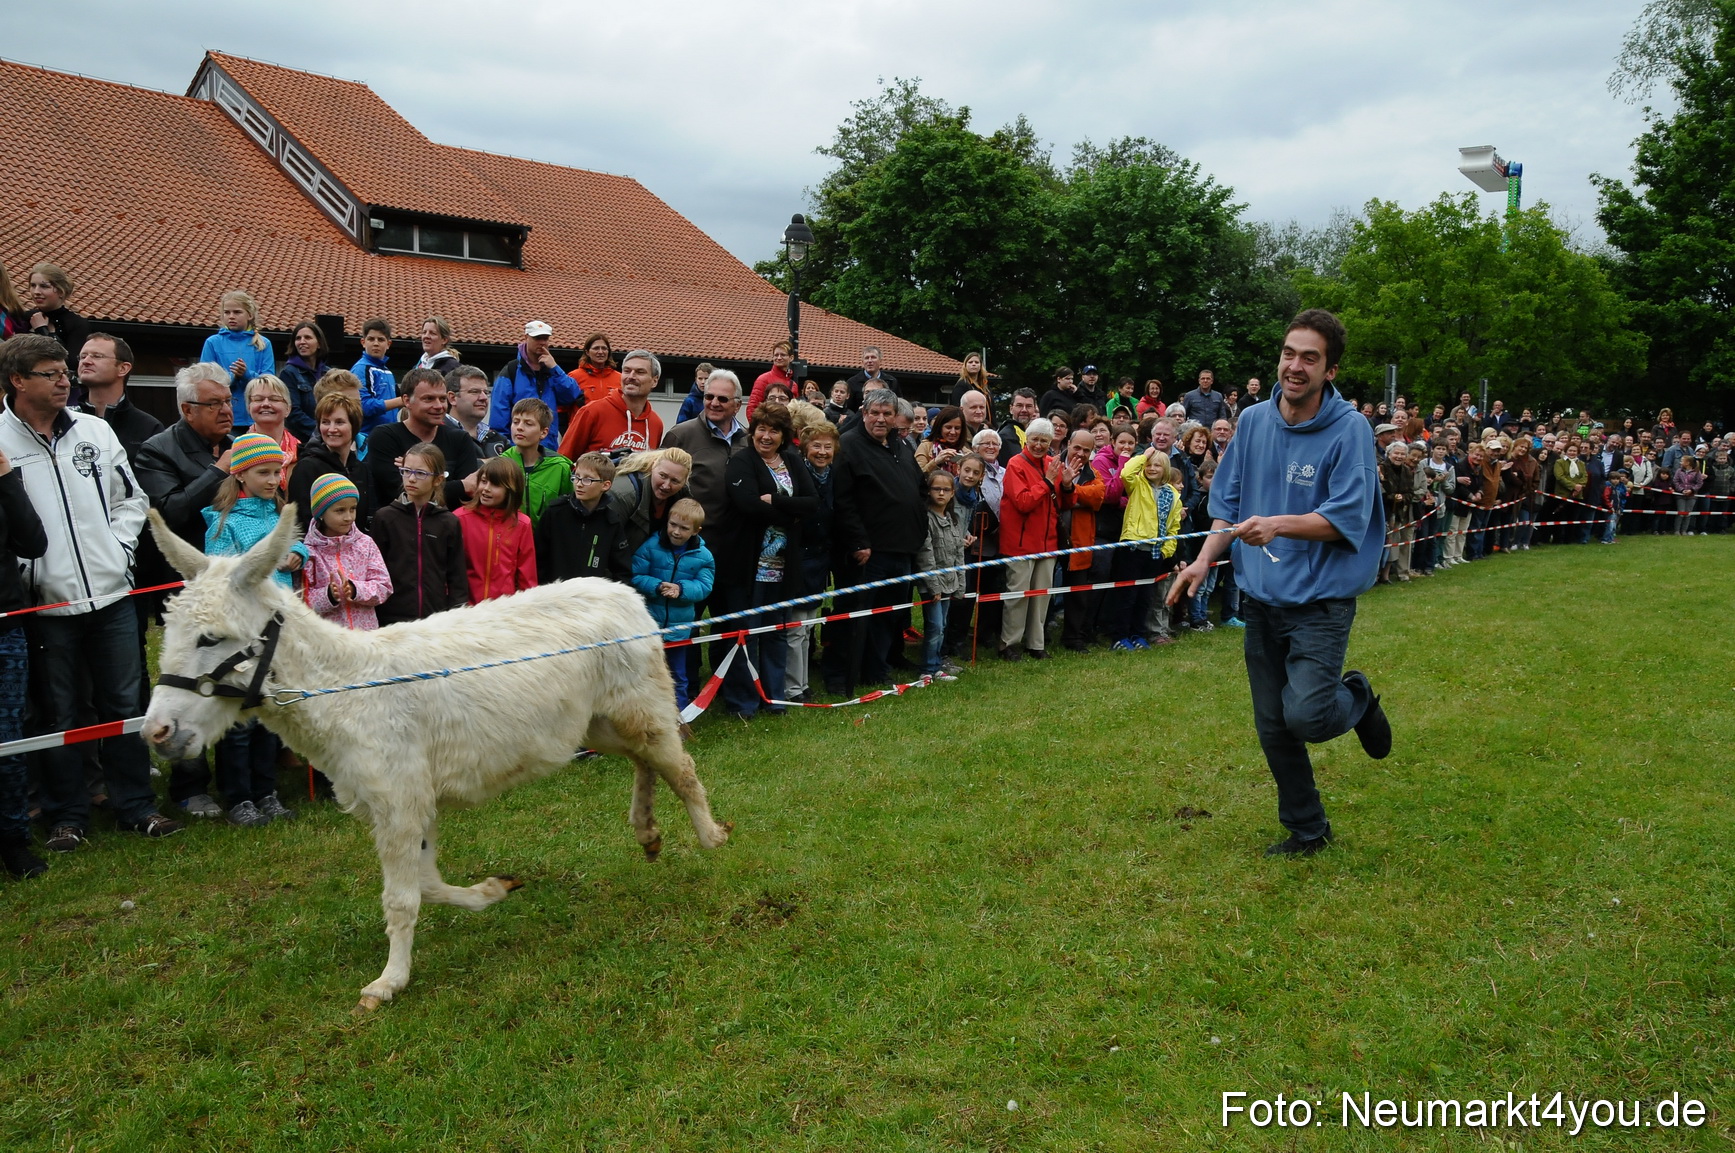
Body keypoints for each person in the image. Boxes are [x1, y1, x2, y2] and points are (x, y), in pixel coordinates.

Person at [1168, 309, 1390, 858]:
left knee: (1308, 715)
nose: (1295, 366)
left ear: (1329, 370)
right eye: (1289, 353)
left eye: (1309, 358)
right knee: (1273, 726)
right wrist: (1202, 560)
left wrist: (1278, 524)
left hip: (1321, 602)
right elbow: (1228, 506)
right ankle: (1308, 830)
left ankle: (1356, 697)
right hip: (1263, 599)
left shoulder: (1350, 430)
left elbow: (1347, 520)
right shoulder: (1255, 421)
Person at [0, 336, 179, 851]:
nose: (65, 380)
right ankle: (66, 815)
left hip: (113, 596)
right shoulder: (1, 441)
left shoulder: (95, 431)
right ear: (17, 380)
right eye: (51, 372)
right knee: (58, 710)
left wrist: (117, 552)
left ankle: (137, 806)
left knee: (125, 702)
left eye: (65, 371)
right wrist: (26, 570)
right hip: (46, 602)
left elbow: (131, 500)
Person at [202, 433, 308, 826]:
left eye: (277, 471)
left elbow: (299, 545)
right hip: (242, 632)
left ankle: (267, 791)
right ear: (240, 475)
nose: (272, 479)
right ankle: (238, 797)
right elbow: (219, 569)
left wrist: (296, 556)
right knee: (241, 718)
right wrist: (262, 561)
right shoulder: (222, 522)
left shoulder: (279, 514)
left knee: (268, 715)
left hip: (277, 629)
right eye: (263, 472)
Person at [718, 403, 817, 719]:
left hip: (782, 569)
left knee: (775, 633)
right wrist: (792, 515)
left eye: (774, 430)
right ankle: (743, 702)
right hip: (747, 565)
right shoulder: (741, 461)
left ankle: (774, 699)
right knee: (745, 634)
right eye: (761, 428)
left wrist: (775, 500)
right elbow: (747, 506)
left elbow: (813, 503)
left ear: (784, 435)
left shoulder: (791, 460)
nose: (766, 435)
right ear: (753, 431)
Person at [832, 389, 926, 693]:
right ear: (864, 411)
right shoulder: (848, 446)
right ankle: (842, 674)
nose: (881, 419)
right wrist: (858, 542)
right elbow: (843, 501)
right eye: (875, 413)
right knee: (856, 616)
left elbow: (917, 487)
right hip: (868, 553)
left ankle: (877, 670)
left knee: (889, 616)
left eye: (887, 413)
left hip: (902, 548)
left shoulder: (901, 445)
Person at [0, 426, 47, 876]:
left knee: (8, 738)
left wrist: (6, 478)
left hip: (5, 626)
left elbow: (34, 543)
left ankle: (13, 839)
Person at [998, 418, 1075, 660]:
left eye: (1044, 440)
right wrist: (1048, 482)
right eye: (1035, 440)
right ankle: (1008, 644)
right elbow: (1023, 502)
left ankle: (1036, 644)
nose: (1039, 445)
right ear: (1026, 440)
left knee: (1042, 596)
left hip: (1048, 541)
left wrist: (1068, 485)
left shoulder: (1053, 463)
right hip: (1020, 544)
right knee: (1017, 597)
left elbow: (1065, 504)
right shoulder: (1015, 464)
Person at [630, 498, 714, 714]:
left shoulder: (703, 556)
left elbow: (705, 586)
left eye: (684, 528)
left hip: (680, 627)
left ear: (696, 530)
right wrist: (656, 586)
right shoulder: (650, 546)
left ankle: (679, 717)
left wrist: (681, 589)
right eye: (673, 525)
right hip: (649, 625)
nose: (676, 532)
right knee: (645, 674)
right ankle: (646, 715)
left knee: (678, 674)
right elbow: (635, 575)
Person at [374, 443, 466, 625]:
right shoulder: (385, 518)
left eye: (421, 473)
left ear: (438, 480)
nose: (411, 479)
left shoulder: (448, 522)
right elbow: (374, 572)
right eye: (406, 471)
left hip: (435, 620)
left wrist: (457, 617)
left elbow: (457, 577)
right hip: (392, 620)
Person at [369, 368, 481, 510]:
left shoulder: (459, 439)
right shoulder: (385, 438)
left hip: (447, 528)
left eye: (442, 399)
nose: (439, 406)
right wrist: (459, 486)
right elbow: (400, 494)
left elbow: (468, 496)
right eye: (428, 399)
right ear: (406, 400)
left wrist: (418, 480)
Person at [1108, 443, 1183, 649]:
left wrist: (1166, 552)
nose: (1151, 468)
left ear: (1165, 469)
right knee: (1127, 596)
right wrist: (1145, 454)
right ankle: (1119, 636)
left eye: (1157, 465)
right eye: (1149, 465)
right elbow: (1126, 473)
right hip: (1132, 549)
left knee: (1145, 598)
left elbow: (1173, 527)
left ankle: (1137, 635)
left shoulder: (1173, 495)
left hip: (1155, 553)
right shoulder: (1137, 484)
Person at [785, 420, 838, 702]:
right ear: (805, 448)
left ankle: (803, 683)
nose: (821, 451)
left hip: (820, 559)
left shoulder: (832, 476)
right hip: (797, 558)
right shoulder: (796, 475)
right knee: (795, 628)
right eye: (816, 445)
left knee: (807, 627)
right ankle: (792, 688)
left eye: (827, 446)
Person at [301, 474, 391, 630]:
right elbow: (300, 602)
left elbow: (384, 586)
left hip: (365, 639)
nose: (348, 517)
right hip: (328, 642)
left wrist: (356, 589)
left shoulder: (366, 544)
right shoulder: (308, 552)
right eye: (340, 510)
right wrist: (328, 596)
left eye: (353, 509)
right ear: (320, 513)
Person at [536, 452, 631, 583]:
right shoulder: (555, 513)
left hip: (589, 598)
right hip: (555, 595)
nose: (579, 484)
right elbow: (538, 558)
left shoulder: (611, 522)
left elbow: (622, 571)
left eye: (588, 479)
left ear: (605, 485)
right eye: (576, 477)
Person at [287, 392, 375, 532]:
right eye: (325, 422)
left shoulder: (361, 469)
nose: (331, 429)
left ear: (354, 426)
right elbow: (300, 523)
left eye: (339, 422)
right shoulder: (307, 467)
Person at [491, 321, 582, 453]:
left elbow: (572, 395)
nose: (542, 342)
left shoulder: (552, 370)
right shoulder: (511, 370)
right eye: (537, 338)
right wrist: (508, 449)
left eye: (545, 338)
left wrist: (555, 368)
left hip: (548, 448)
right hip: (517, 450)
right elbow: (498, 416)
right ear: (526, 337)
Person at [559, 349, 665, 461]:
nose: (631, 376)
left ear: (655, 380)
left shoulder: (655, 424)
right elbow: (563, 461)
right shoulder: (592, 412)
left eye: (640, 372)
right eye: (627, 371)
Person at [456, 456, 537, 602]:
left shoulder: (522, 524)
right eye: (484, 481)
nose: (486, 489)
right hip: (465, 613)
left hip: (504, 613)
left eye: (495, 485)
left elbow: (527, 577)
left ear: (511, 489)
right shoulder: (459, 518)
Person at [914, 470, 969, 681]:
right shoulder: (926, 519)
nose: (941, 493)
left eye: (946, 489)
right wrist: (934, 586)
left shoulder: (953, 520)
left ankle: (936, 664)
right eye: (936, 488)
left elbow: (958, 554)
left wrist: (960, 585)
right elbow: (926, 555)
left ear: (952, 493)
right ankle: (927, 669)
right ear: (929, 491)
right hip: (932, 585)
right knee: (935, 625)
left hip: (950, 582)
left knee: (942, 625)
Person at [1057, 430, 1107, 652]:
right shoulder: (1051, 465)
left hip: (1079, 541)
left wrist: (1069, 490)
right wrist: (1074, 496)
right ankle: (1036, 638)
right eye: (1077, 447)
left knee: (1078, 593)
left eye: (1087, 450)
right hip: (1049, 538)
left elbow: (1098, 496)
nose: (1081, 453)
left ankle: (1073, 637)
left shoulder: (1093, 473)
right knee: (1041, 591)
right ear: (1068, 444)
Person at [199, 290, 275, 429]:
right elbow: (205, 380)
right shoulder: (213, 343)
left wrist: (246, 374)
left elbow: (269, 381)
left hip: (256, 417)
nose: (231, 316)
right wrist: (232, 376)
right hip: (223, 416)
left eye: (237, 312)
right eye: (227, 312)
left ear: (250, 315)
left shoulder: (263, 343)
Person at [503, 398, 574, 525]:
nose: (519, 428)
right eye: (515, 422)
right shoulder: (502, 464)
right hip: (508, 540)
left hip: (547, 541)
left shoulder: (560, 467)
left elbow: (568, 511)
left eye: (528, 424)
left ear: (543, 432)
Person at [610, 447, 692, 556]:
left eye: (675, 481)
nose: (666, 486)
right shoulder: (624, 495)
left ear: (684, 482)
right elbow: (601, 543)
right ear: (653, 466)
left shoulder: (682, 496)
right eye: (662, 476)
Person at [24, 264, 89, 366]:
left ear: (61, 291)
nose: (36, 292)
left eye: (44, 286)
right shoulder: (24, 317)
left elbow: (70, 363)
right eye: (33, 286)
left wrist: (42, 330)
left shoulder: (76, 324)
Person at [243, 375, 299, 490]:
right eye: (258, 399)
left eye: (274, 399)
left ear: (288, 409)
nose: (266, 404)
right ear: (249, 407)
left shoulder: (302, 452)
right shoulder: (238, 451)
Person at [352, 317, 406, 433]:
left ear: (388, 344)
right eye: (371, 339)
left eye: (381, 340)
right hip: (368, 436)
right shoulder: (361, 369)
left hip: (388, 434)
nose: (376, 343)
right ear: (363, 342)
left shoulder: (388, 372)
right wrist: (401, 401)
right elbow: (363, 406)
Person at [278, 320, 329, 441]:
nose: (302, 342)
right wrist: (320, 431)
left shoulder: (328, 374)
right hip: (302, 441)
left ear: (319, 343)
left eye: (307, 337)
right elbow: (293, 413)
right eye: (298, 338)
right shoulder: (289, 373)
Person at [447, 365, 509, 457]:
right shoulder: (438, 435)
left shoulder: (499, 440)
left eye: (486, 392)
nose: (484, 398)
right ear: (452, 398)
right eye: (475, 392)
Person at [572, 332, 622, 409]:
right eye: (596, 348)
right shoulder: (574, 376)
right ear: (587, 352)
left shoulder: (620, 378)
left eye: (604, 348)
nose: (601, 352)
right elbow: (563, 406)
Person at [916, 405, 969, 475]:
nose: (953, 432)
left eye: (957, 428)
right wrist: (936, 462)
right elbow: (917, 476)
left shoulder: (966, 453)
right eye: (948, 427)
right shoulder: (925, 446)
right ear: (940, 427)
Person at [746, 341, 794, 416]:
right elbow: (752, 408)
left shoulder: (794, 385)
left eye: (783, 355)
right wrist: (759, 427)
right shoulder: (763, 379)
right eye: (776, 355)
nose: (778, 358)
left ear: (791, 358)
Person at [844, 346, 899, 411]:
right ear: (862, 362)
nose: (870, 361)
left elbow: (898, 405)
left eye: (873, 357)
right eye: (867, 358)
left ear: (880, 360)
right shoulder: (852, 383)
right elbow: (848, 409)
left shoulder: (891, 381)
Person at [998, 388, 1038, 466]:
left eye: (1029, 406)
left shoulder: (1032, 433)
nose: (1024, 410)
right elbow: (1019, 466)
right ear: (1011, 409)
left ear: (1034, 410)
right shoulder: (1007, 435)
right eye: (1019, 406)